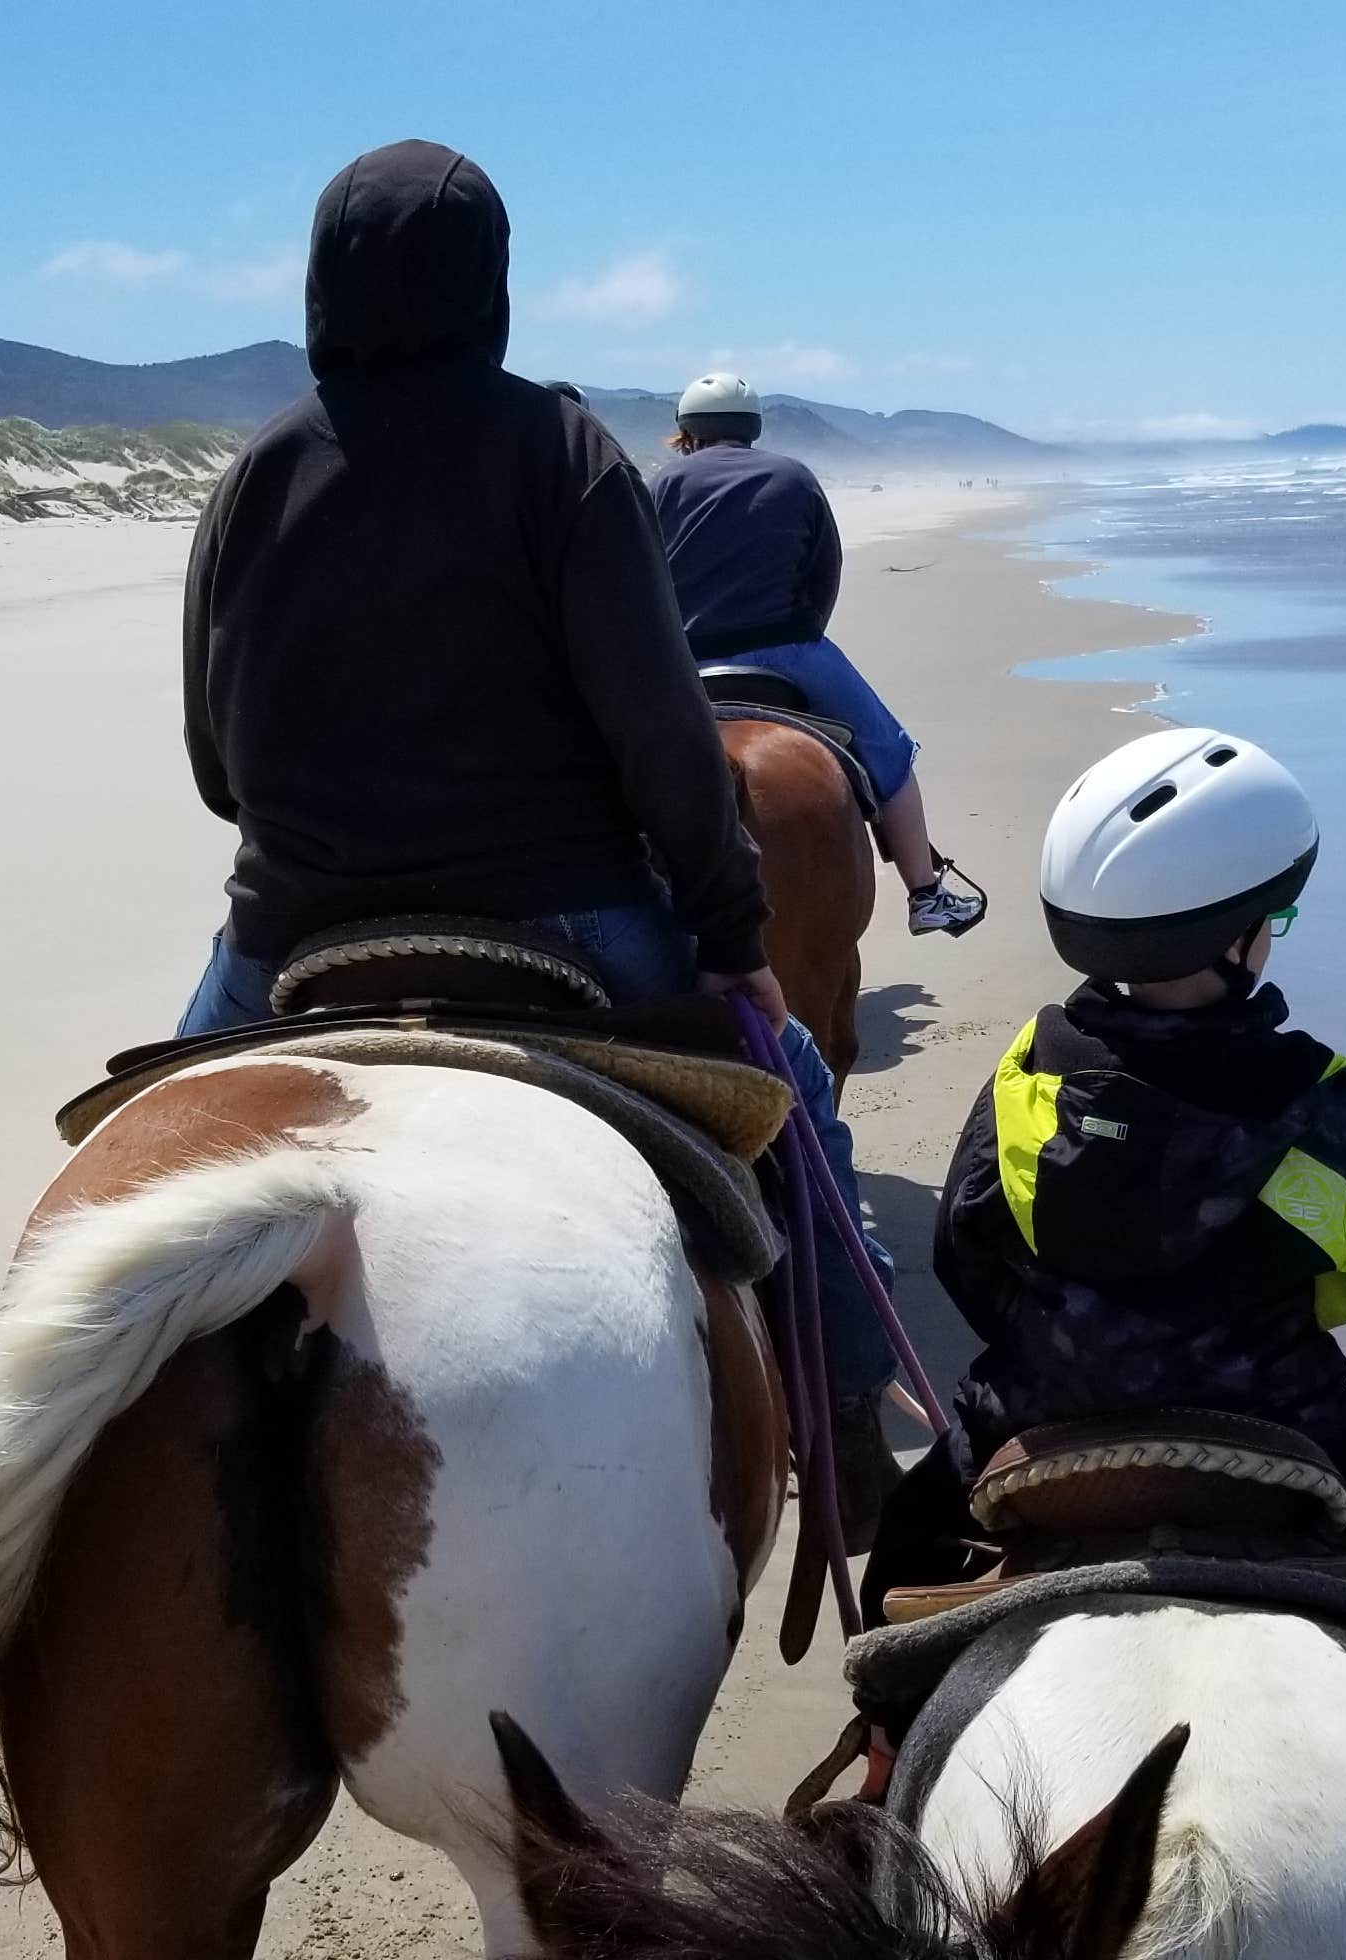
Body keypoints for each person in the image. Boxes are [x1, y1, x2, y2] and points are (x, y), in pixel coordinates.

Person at [169, 140, 901, 1474]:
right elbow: (661, 736)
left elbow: (218, 763)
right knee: (792, 1094)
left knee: (135, 1154)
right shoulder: (560, 451)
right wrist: (734, 938)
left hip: (294, 924)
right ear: (489, 286)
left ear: (323, 285)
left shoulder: (260, 469)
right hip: (566, 914)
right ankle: (856, 1423)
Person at [860, 726, 1346, 1904]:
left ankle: (882, 1765)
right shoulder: (1313, 1092)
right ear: (1246, 934)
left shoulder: (1027, 1069)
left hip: (1048, 1402)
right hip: (1275, 1403)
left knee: (901, 1541)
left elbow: (966, 1247)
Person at [650, 373, 988, 938]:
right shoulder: (794, 476)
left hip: (684, 658)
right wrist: (804, 633)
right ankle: (926, 893)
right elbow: (824, 570)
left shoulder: (662, 483)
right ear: (753, 427)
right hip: (789, 649)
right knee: (891, 753)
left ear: (687, 430)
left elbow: (645, 573)